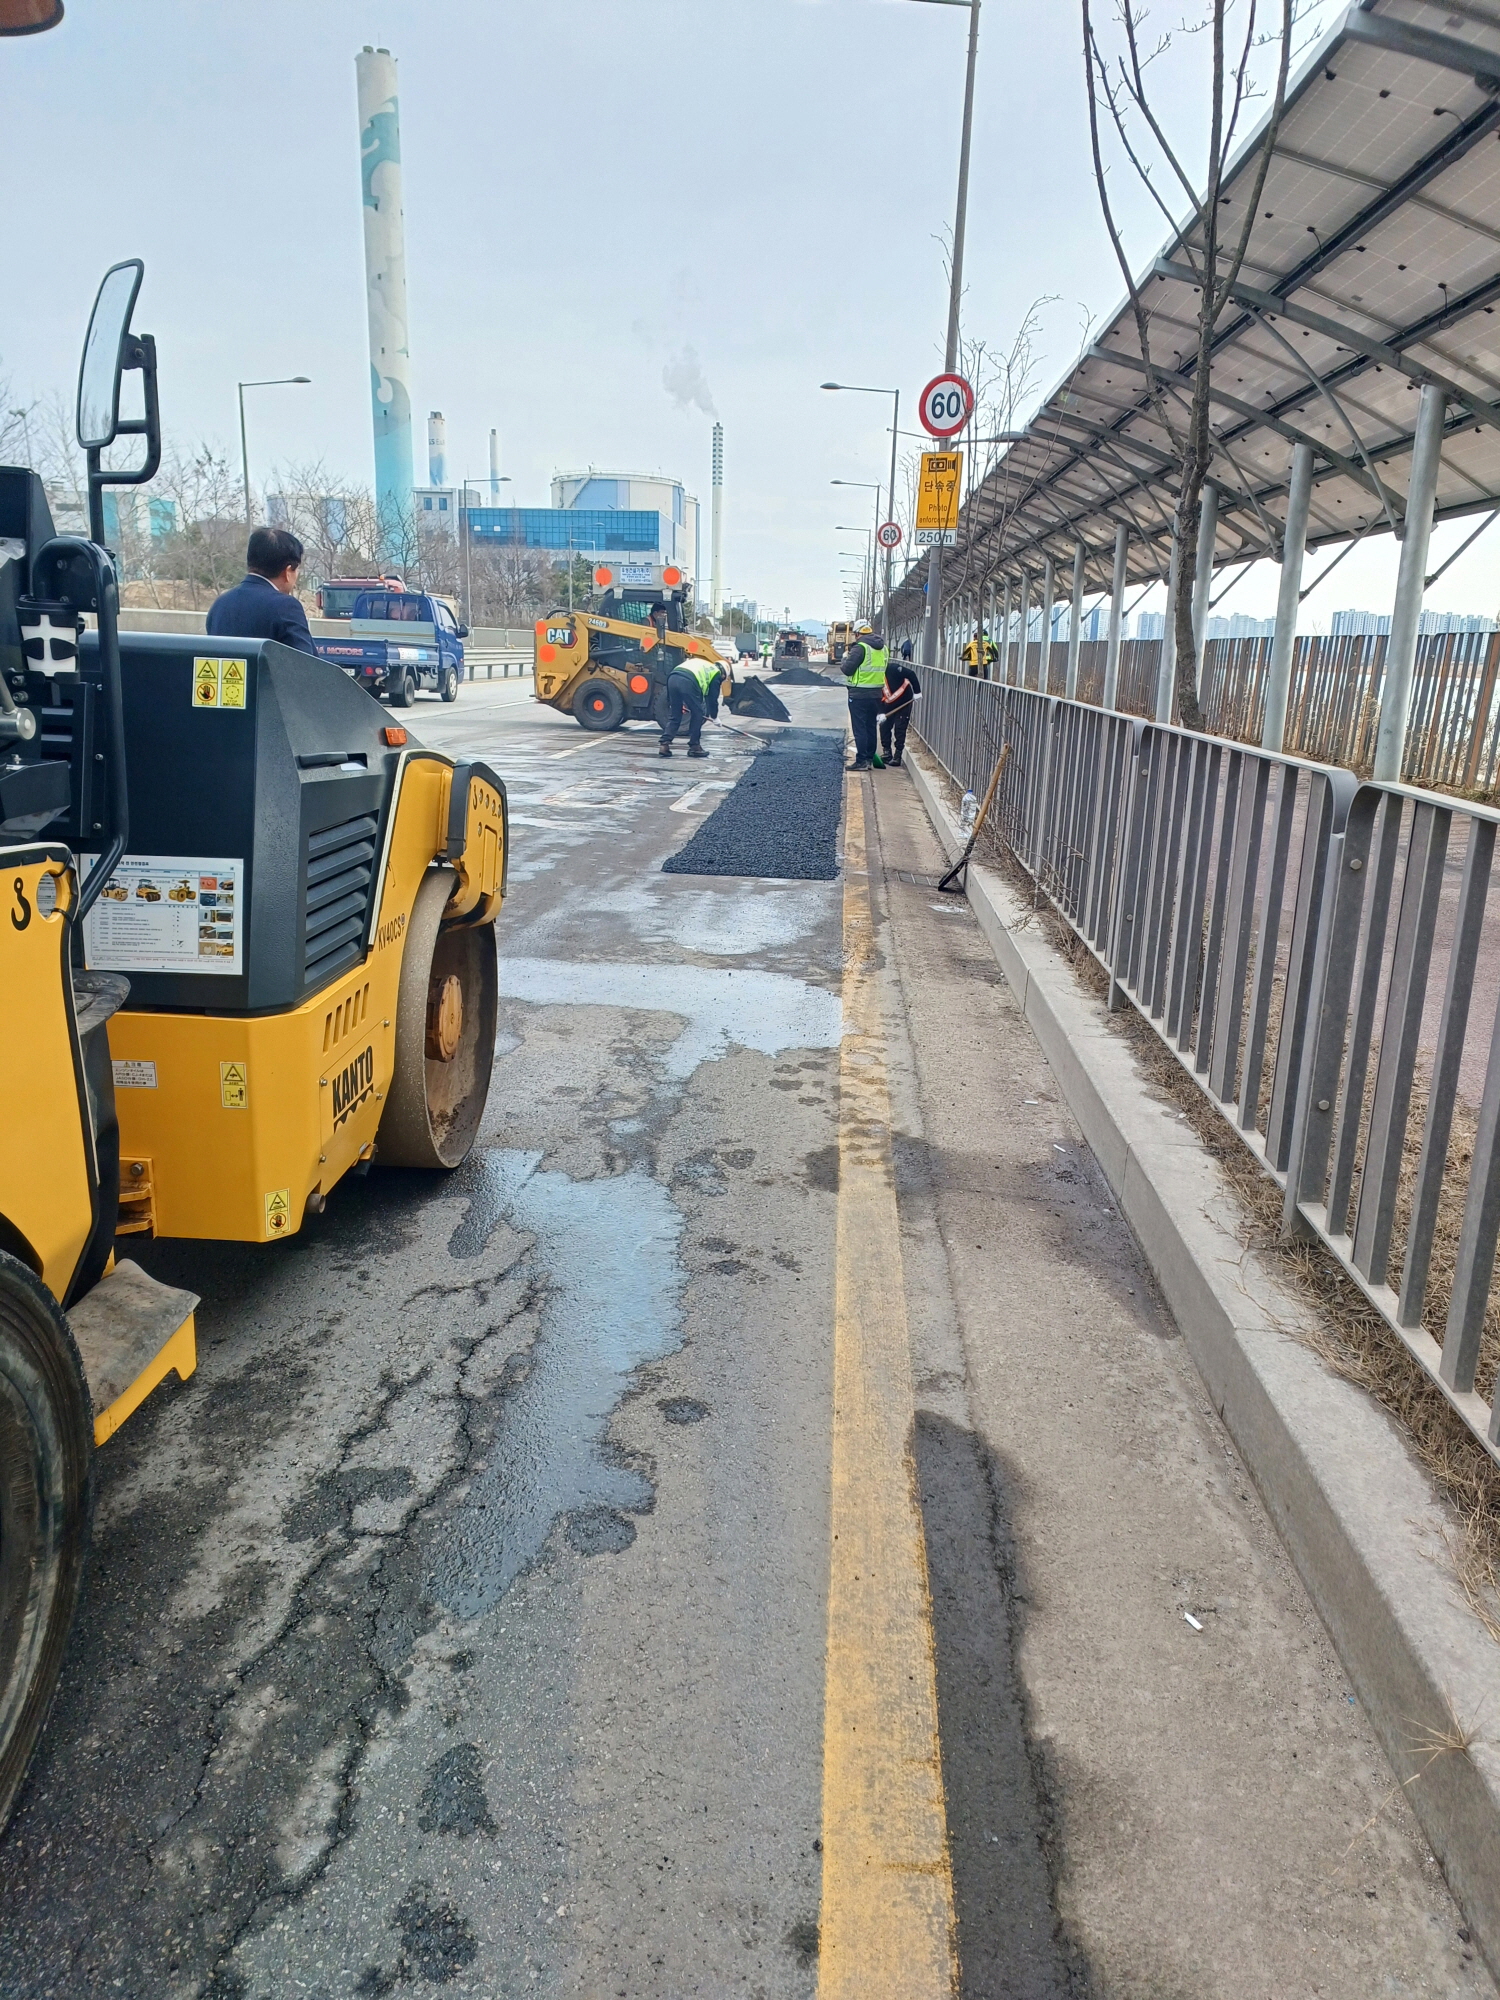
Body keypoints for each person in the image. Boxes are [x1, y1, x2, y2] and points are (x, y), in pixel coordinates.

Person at [206, 527, 317, 654]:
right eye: (297, 569)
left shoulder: (220, 604)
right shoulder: (286, 607)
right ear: (287, 571)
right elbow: (306, 666)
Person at [839, 619, 887, 772]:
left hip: (859, 693)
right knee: (870, 726)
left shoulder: (860, 648)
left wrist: (845, 658)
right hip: (876, 693)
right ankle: (869, 759)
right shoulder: (883, 647)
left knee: (859, 728)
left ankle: (861, 761)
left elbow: (847, 669)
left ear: (858, 633)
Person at [659, 654, 724, 759]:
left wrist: (674, 703)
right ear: (723, 673)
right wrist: (715, 717)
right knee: (698, 713)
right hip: (687, 681)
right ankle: (695, 746)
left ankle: (664, 744)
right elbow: (712, 699)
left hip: (672, 678)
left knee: (675, 715)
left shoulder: (703, 664)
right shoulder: (715, 673)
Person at [878, 654, 921, 769]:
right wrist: (880, 712)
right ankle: (887, 753)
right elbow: (876, 695)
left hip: (904, 702)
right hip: (887, 705)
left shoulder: (893, 669)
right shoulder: (873, 677)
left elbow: (911, 674)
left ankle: (897, 756)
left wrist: (917, 692)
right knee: (884, 727)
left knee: (900, 728)